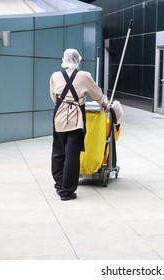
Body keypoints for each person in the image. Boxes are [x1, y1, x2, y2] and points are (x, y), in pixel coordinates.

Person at [50, 48, 108, 201]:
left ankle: (59, 185)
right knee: (72, 156)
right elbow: (97, 94)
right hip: (76, 121)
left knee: (58, 154)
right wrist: (104, 103)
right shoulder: (84, 76)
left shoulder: (55, 76)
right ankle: (67, 191)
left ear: (64, 59)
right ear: (77, 60)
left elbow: (53, 97)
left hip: (59, 119)